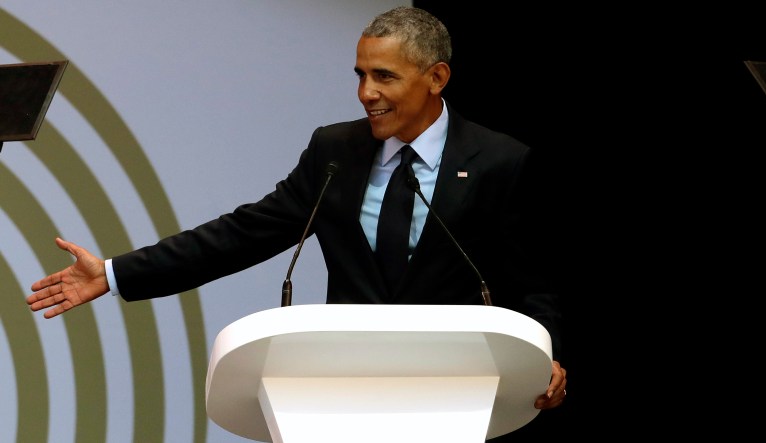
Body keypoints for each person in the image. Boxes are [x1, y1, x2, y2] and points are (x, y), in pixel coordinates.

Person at [26, 5, 567, 419]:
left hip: (459, 391)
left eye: (384, 76)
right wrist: (117, 273)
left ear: (437, 78)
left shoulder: (499, 161)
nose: (366, 93)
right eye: (360, 74)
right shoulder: (336, 152)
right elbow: (244, 233)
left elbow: (534, 281)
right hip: (345, 391)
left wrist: (546, 353)